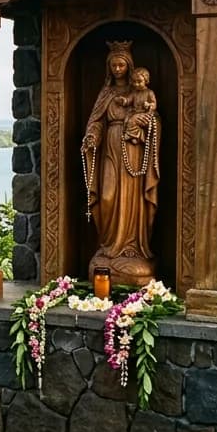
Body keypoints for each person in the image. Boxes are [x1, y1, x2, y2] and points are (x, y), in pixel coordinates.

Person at [81, 42, 160, 285]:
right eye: (113, 65)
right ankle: (108, 246)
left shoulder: (141, 91)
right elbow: (96, 120)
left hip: (134, 151)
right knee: (107, 196)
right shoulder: (106, 94)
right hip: (110, 149)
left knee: (133, 198)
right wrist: (92, 135)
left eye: (121, 64)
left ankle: (133, 248)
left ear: (129, 66)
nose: (117, 69)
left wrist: (147, 121)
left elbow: (154, 117)